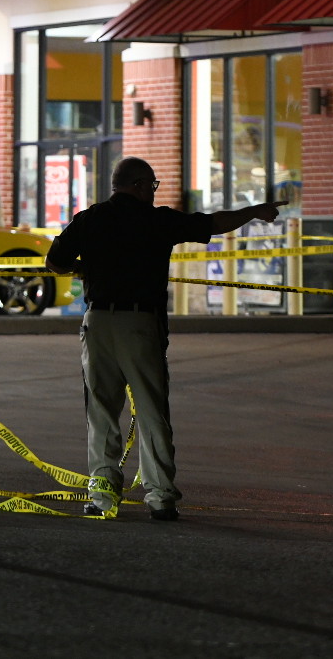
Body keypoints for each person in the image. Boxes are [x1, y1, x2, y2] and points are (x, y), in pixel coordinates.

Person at [46, 157, 286, 521]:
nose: (153, 191)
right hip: (140, 324)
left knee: (101, 410)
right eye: (153, 185)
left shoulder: (89, 219)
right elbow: (212, 224)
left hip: (96, 323)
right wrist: (253, 211)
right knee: (152, 411)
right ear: (140, 185)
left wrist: (82, 268)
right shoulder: (155, 220)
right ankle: (159, 497)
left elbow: (55, 261)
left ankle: (102, 495)